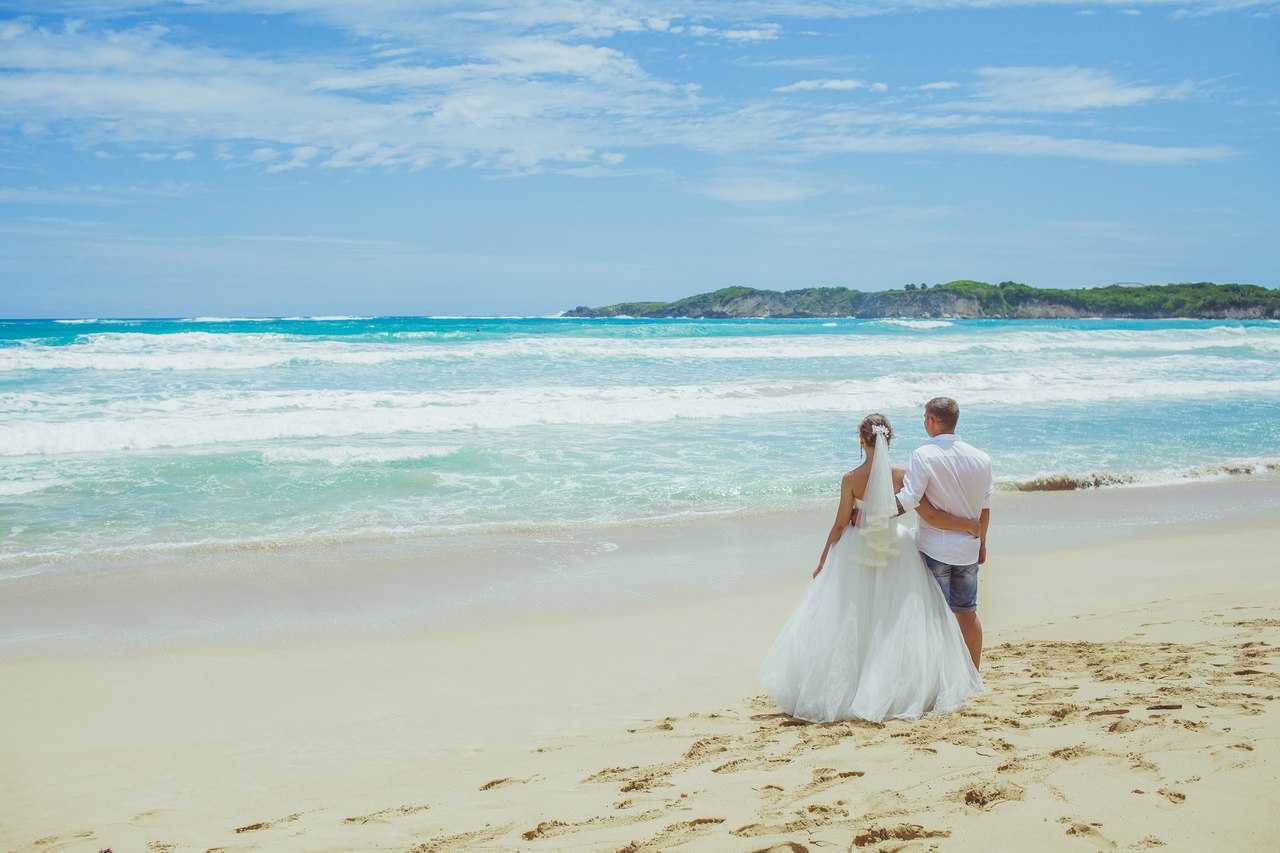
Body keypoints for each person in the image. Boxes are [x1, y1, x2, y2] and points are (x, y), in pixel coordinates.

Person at [760, 414, 983, 723]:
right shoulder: (902, 474)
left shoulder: (850, 479)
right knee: (891, 621)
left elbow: (840, 522)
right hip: (896, 546)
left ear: (861, 440)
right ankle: (899, 684)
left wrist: (824, 558)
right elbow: (922, 506)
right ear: (888, 440)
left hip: (857, 548)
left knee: (852, 617)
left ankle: (849, 686)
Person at [894, 397, 992, 670]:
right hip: (968, 549)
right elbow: (985, 507)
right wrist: (982, 541)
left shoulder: (923, 455)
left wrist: (875, 513)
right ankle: (972, 674)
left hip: (934, 548)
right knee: (967, 613)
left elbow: (910, 498)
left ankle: (938, 676)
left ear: (930, 421)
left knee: (934, 616)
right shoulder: (982, 458)